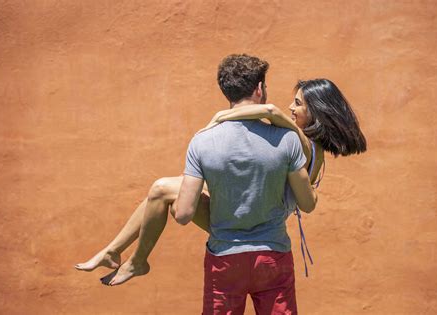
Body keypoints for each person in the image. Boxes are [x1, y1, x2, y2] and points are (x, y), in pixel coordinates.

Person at [75, 56, 367, 292]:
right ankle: (118, 254)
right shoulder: (307, 144)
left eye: (299, 103)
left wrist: (221, 116)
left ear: (317, 110)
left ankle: (133, 260)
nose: (292, 107)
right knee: (160, 190)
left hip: (245, 222)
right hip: (257, 218)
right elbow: (270, 112)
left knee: (162, 189)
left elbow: (271, 110)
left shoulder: (302, 142)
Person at [174, 54, 317, 314]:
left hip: (224, 258)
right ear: (259, 88)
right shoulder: (286, 139)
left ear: (226, 91)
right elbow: (307, 204)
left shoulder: (201, 141)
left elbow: (183, 214)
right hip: (273, 256)